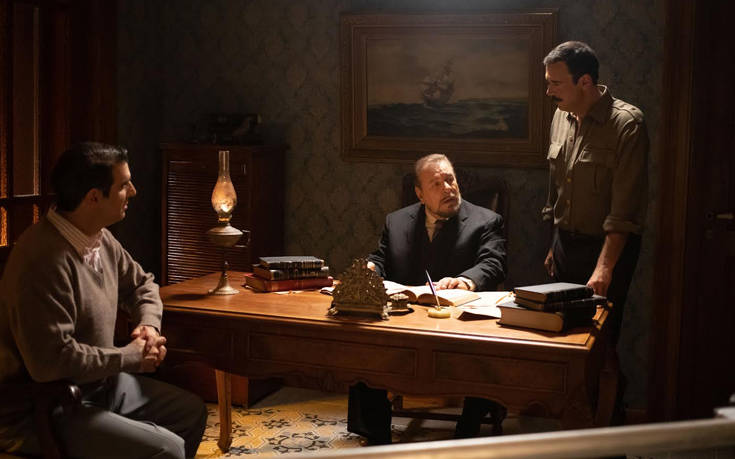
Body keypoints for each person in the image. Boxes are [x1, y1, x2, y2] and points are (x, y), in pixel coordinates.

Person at [0, 142, 208, 458]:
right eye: (124, 185)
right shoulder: (41, 260)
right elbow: (52, 362)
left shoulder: (98, 237)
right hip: (43, 407)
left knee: (189, 413)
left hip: (98, 385)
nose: (133, 192)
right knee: (169, 449)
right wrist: (129, 357)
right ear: (93, 197)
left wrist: (148, 326)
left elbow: (142, 285)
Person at [348, 153, 507, 445]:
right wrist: (371, 268)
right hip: (404, 319)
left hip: (459, 323)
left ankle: (467, 432)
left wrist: (465, 281)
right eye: (436, 184)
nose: (448, 188)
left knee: (487, 350)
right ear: (420, 194)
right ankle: (375, 436)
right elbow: (381, 258)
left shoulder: (486, 221)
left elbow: (492, 263)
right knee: (364, 341)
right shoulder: (397, 222)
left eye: (450, 180)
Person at [542, 41, 648, 344]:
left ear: (585, 82)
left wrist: (604, 268)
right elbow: (556, 190)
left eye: (556, 83)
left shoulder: (626, 124)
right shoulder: (560, 116)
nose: (548, 91)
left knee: (600, 342)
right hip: (565, 246)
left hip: (606, 250)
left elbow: (624, 211)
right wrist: (553, 245)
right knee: (560, 337)